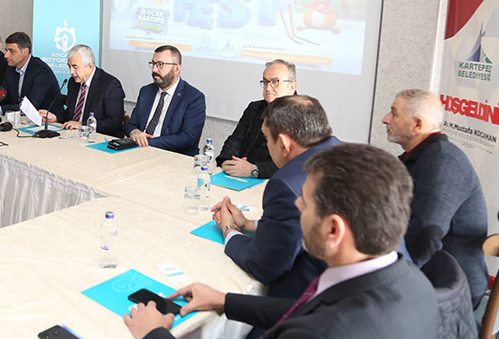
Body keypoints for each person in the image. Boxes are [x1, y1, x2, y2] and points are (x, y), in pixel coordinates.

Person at [126, 143, 439, 339]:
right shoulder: (413, 281)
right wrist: (224, 300)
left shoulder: (319, 333)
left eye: (305, 202)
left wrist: (153, 334)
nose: (297, 206)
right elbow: (310, 308)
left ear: (333, 230)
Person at [213, 95, 340, 338]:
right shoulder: (343, 153)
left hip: (307, 307)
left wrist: (230, 230)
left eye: (266, 138)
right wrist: (250, 224)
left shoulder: (287, 183)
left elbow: (263, 266)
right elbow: (296, 226)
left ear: (283, 143)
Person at [382, 89, 488, 307]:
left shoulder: (442, 160)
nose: (385, 119)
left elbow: (426, 235)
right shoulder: (423, 156)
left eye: (394, 113)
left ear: (417, 124)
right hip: (429, 275)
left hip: (451, 292)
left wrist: (389, 282)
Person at [216, 59, 297, 179]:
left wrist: (255, 170)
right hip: (241, 174)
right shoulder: (255, 107)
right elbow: (236, 140)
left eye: (275, 82)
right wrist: (228, 161)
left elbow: (296, 163)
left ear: (292, 86)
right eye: (265, 82)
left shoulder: (303, 115)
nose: (268, 88)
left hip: (274, 180)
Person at [125, 45, 205, 156]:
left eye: (160, 65)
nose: (154, 69)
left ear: (176, 69)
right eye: (153, 64)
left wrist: (146, 142)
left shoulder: (194, 97)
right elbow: (131, 124)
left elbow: (188, 138)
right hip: (139, 152)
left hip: (172, 156)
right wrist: (135, 132)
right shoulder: (146, 91)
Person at [39, 44, 126, 137]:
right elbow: (72, 112)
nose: (71, 72)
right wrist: (56, 117)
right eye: (69, 66)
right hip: (74, 135)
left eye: (75, 67)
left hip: (101, 138)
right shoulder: (73, 82)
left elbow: (114, 123)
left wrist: (83, 125)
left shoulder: (110, 85)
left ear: (90, 66)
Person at [0, 31, 63, 116]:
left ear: (25, 51)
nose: (6, 55)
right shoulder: (11, 68)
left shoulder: (41, 71)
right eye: (6, 50)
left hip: (48, 120)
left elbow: (30, 106)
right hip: (20, 118)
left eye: (11, 51)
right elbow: (2, 94)